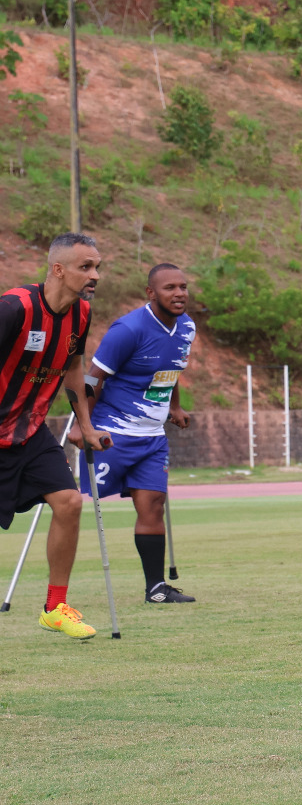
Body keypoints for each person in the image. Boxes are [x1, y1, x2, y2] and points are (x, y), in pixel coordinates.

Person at [0, 233, 113, 638]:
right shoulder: (15, 307)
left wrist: (86, 427)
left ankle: (55, 606)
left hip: (30, 431)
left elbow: (73, 368)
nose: (95, 275)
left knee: (68, 503)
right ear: (58, 269)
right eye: (86, 267)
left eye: (97, 266)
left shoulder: (81, 314)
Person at [69, 263, 197, 604]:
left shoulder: (186, 327)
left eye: (183, 287)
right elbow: (93, 378)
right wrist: (83, 426)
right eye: (170, 288)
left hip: (153, 437)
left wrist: (174, 407)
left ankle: (155, 589)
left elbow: (172, 369)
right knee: (66, 502)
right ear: (151, 293)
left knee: (153, 506)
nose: (180, 293)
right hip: (112, 433)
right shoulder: (128, 329)